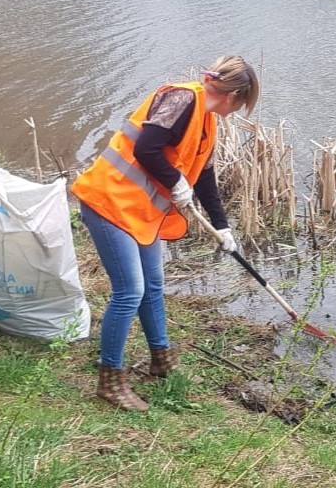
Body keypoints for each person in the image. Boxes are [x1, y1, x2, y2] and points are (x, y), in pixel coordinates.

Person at [71, 56, 260, 411]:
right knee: (130, 291)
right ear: (235, 95)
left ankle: (162, 359)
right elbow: (145, 148)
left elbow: (204, 176)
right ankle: (110, 379)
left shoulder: (208, 120)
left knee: (153, 285)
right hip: (108, 201)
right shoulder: (182, 99)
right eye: (244, 103)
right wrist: (175, 182)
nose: (240, 110)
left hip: (138, 212)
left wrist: (222, 225)